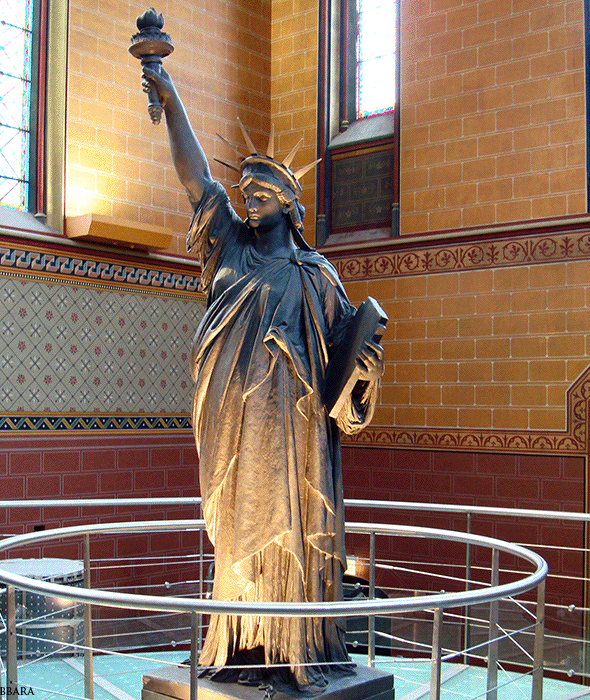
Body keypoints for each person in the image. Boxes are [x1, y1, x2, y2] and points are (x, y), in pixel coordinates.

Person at [142, 64, 385, 693]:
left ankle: (294, 645)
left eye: (262, 189)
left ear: (290, 201)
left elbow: (346, 364)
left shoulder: (317, 274)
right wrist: (171, 97)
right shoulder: (230, 246)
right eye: (244, 188)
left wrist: (366, 366)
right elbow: (196, 178)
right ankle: (238, 643)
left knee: (291, 529)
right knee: (236, 526)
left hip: (294, 434)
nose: (248, 196)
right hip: (230, 419)